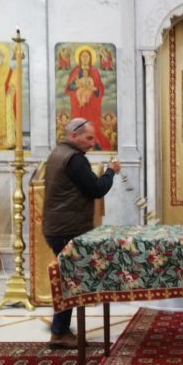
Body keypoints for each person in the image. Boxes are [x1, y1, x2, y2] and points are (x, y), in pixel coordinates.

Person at [43, 118, 121, 348]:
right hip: (67, 229)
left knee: (68, 278)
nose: (93, 142)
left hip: (58, 227)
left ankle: (60, 329)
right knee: (70, 280)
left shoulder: (58, 153)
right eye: (88, 138)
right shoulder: (74, 159)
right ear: (73, 136)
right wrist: (111, 171)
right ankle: (59, 332)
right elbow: (96, 189)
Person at [65, 47, 111, 150]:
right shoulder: (76, 71)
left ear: (90, 58)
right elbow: (68, 87)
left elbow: (99, 88)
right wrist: (76, 86)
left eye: (87, 56)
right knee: (78, 126)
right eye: (83, 56)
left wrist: (94, 89)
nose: (85, 58)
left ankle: (95, 143)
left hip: (91, 106)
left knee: (92, 125)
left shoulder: (94, 71)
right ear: (79, 58)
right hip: (78, 106)